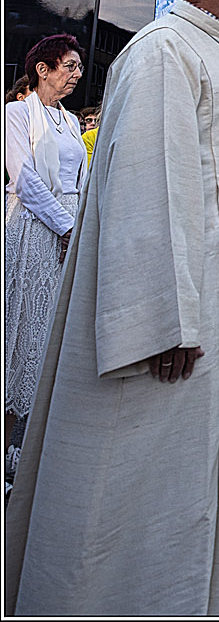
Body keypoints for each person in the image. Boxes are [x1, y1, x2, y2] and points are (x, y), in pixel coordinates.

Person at [6, 0, 219, 617]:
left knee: (186, 484)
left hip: (214, 311)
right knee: (133, 496)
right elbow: (147, 189)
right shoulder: (166, 53)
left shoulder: (204, 49)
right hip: (178, 330)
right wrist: (161, 318)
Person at [5, 36, 87, 463]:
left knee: (48, 333)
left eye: (78, 67)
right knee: (21, 331)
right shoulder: (16, 113)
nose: (77, 74)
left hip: (67, 227)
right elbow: (23, 177)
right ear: (43, 68)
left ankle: (25, 446)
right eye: (69, 66)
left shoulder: (70, 121)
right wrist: (66, 225)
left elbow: (80, 180)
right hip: (34, 228)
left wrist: (79, 226)